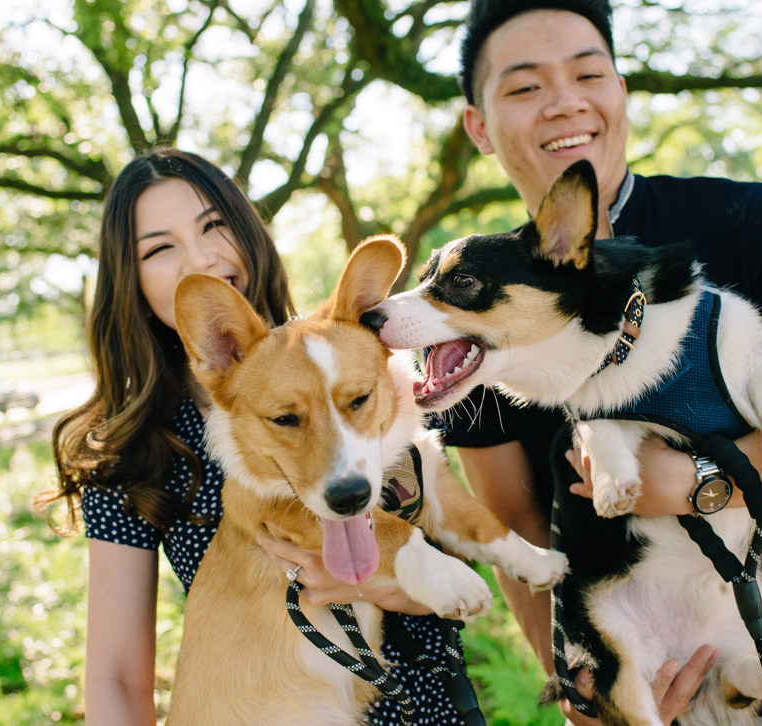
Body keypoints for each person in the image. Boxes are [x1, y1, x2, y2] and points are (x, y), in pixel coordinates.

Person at [443, 0, 762, 725]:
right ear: (479, 125)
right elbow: (516, 517)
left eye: (588, 74)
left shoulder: (754, 223)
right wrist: (584, 688)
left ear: (621, 91)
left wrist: (694, 481)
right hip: (648, 696)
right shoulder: (475, 299)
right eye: (525, 86)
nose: (564, 104)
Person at [42, 146, 475, 725]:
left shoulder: (359, 368)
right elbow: (116, 676)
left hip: (428, 711)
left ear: (246, 229)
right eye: (160, 247)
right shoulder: (137, 452)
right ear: (132, 278)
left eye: (213, 225)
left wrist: (391, 586)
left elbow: (463, 571)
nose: (200, 258)